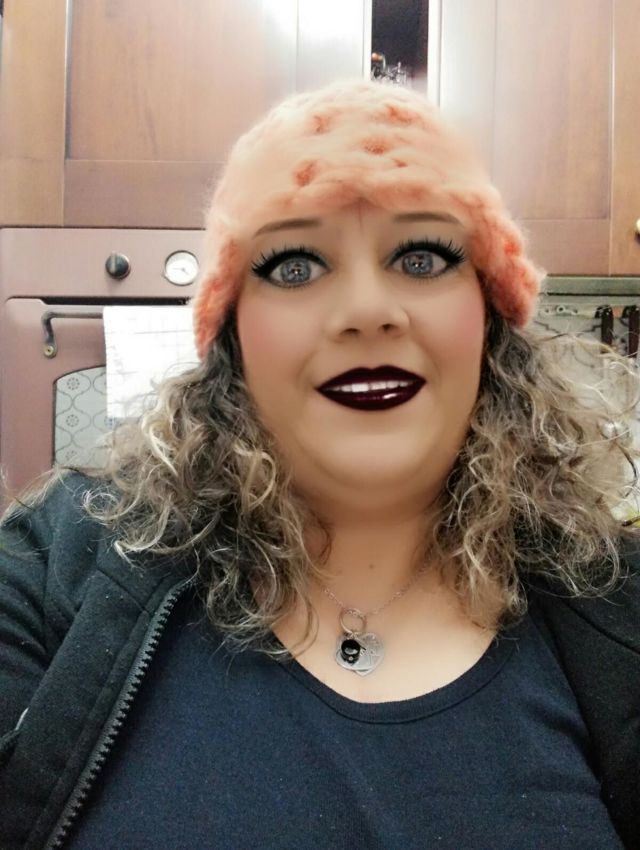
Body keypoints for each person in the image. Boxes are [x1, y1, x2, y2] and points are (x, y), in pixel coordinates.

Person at [1, 78, 639, 850]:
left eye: (423, 256)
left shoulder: (620, 610)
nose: (367, 310)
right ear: (234, 332)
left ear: (488, 313)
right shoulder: (50, 572)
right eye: (296, 266)